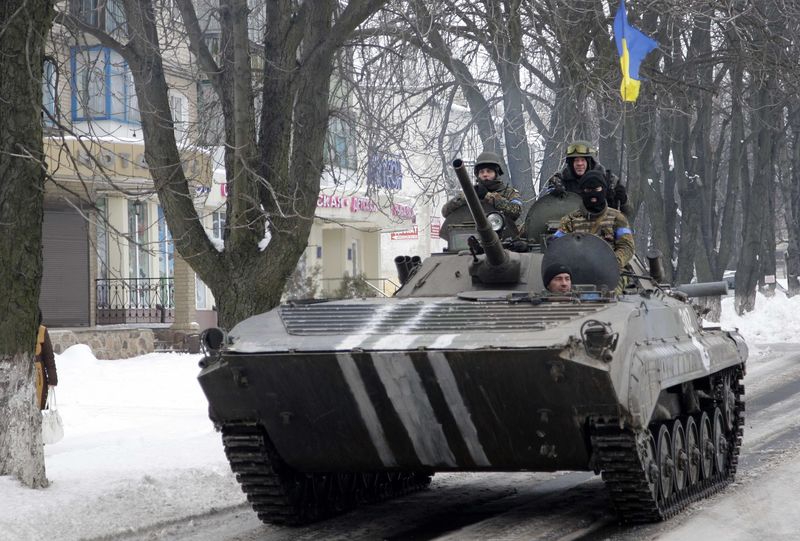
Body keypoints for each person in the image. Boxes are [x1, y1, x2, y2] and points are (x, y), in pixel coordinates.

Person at [553, 170, 635, 278]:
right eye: (588, 190)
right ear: (582, 192)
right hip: (576, 273)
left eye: (597, 189)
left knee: (611, 293)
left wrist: (612, 263)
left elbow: (627, 246)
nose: (593, 195)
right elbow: (557, 246)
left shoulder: (617, 218)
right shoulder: (570, 220)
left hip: (612, 272)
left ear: (604, 190)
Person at [542, 140, 632, 217]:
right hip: (570, 228)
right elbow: (547, 210)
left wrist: (623, 199)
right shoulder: (560, 181)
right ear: (570, 163)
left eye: (582, 160)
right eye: (576, 160)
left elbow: (629, 212)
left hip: (604, 228)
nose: (579, 164)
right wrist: (554, 193)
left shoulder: (609, 180)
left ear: (590, 162)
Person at [442, 151, 523, 223]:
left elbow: (516, 211)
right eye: (481, 172)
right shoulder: (472, 192)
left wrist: (488, 196)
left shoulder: (509, 192)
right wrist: (466, 197)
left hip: (504, 235)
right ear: (478, 175)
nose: (485, 174)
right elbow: (445, 211)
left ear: (496, 173)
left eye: (489, 171)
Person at [35, 310, 57, 410]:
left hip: (39, 377)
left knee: (40, 406)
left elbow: (49, 357)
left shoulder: (42, 331)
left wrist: (52, 379)